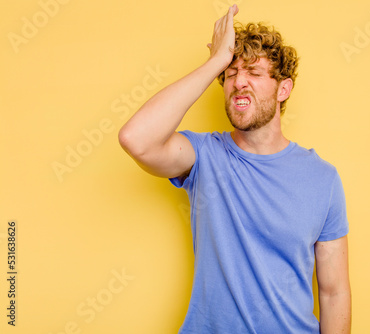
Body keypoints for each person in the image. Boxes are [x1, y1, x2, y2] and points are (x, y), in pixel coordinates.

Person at [119, 4, 351, 333]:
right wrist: (215, 61)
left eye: (254, 73)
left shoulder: (323, 179)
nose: (239, 82)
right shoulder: (203, 155)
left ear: (283, 89)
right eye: (230, 75)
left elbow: (334, 292)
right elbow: (135, 139)